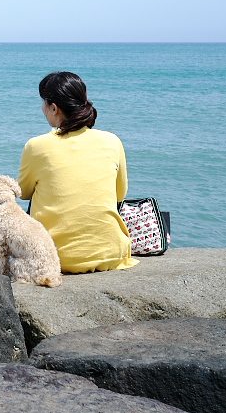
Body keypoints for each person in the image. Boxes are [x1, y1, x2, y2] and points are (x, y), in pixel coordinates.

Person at [17, 71, 137, 273]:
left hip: (53, 258)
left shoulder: (37, 146)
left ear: (54, 108)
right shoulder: (112, 141)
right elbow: (120, 194)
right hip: (112, 254)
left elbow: (24, 192)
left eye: (43, 103)